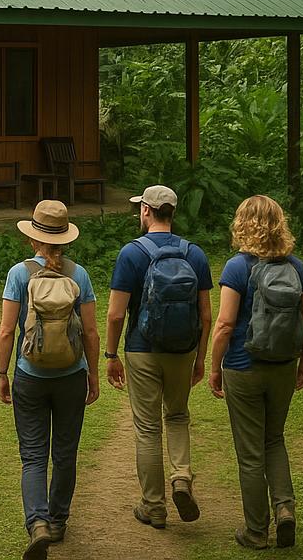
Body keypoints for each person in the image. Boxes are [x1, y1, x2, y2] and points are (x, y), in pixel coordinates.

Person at [209, 195, 303, 550]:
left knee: (251, 452)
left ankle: (256, 531)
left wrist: (214, 368)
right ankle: (285, 509)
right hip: (283, 365)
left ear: (243, 224)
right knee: (275, 439)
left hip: (243, 367)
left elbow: (224, 324)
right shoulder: (296, 267)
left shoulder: (237, 268)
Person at [105, 185, 213, 529]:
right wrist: (200, 358)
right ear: (173, 213)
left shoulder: (131, 254)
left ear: (147, 211)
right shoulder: (194, 254)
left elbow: (115, 315)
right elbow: (206, 314)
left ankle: (153, 506)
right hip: (183, 350)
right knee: (178, 416)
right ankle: (181, 477)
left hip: (142, 349)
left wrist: (111, 354)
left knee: (148, 427)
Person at [0, 201, 100, 560]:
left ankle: (37, 523)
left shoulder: (19, 274)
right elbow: (90, 331)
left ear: (32, 239)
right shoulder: (79, 275)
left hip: (30, 376)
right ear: (65, 239)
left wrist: (1, 374)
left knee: (34, 456)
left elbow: (6, 331)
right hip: (71, 376)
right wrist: (94, 376)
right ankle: (57, 521)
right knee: (66, 453)